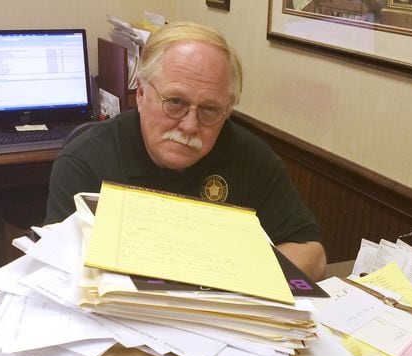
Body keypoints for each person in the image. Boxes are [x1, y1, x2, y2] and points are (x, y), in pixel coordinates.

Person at [46, 21, 327, 281]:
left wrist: (234, 279)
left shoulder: (252, 157)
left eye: (209, 109)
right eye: (175, 102)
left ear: (227, 111)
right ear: (141, 94)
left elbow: (311, 252)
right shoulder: (85, 160)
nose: (190, 125)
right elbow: (59, 272)